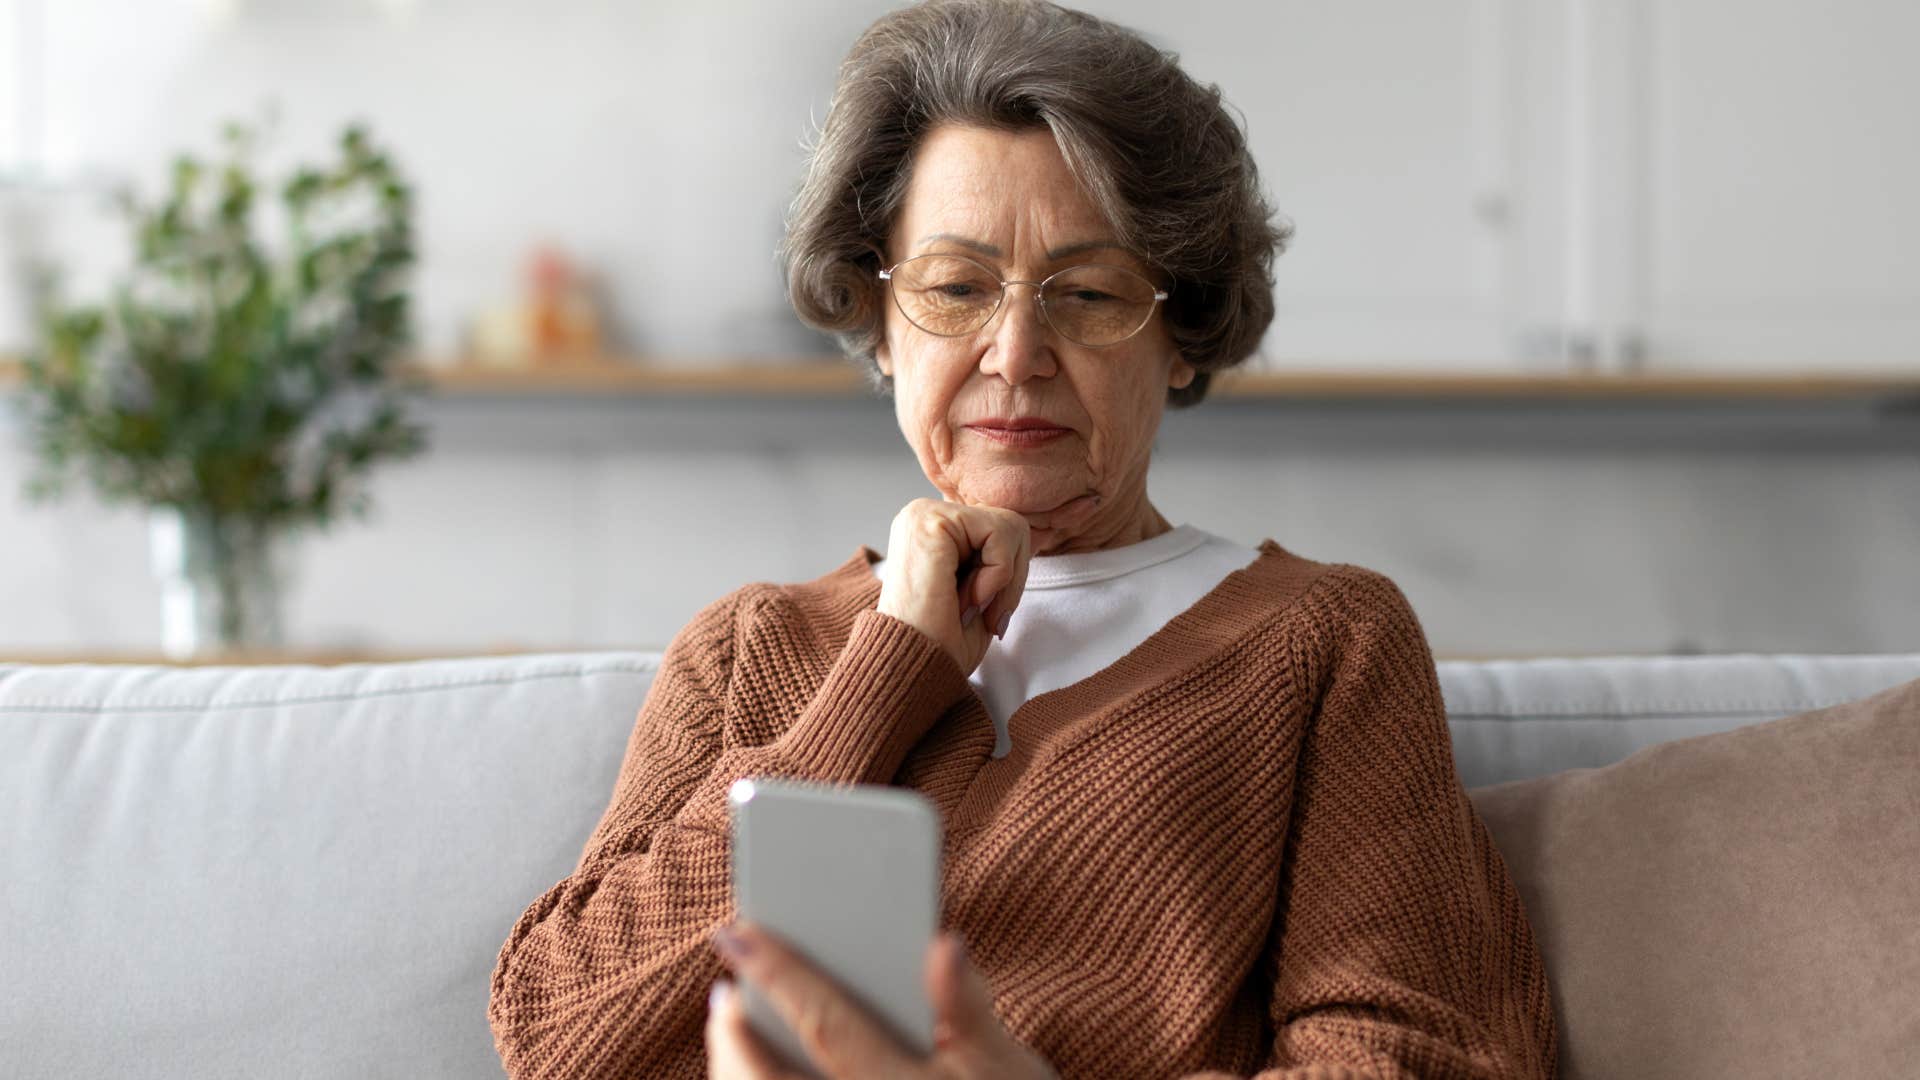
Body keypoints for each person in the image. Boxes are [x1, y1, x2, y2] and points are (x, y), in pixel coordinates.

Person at [487, 1, 1559, 1077]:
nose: (1016, 351)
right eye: (955, 288)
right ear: (879, 322)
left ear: (1182, 336)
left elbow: (1419, 1053)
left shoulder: (1322, 643)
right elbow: (551, 1038)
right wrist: (884, 675)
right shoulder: (748, 648)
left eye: (1087, 294)